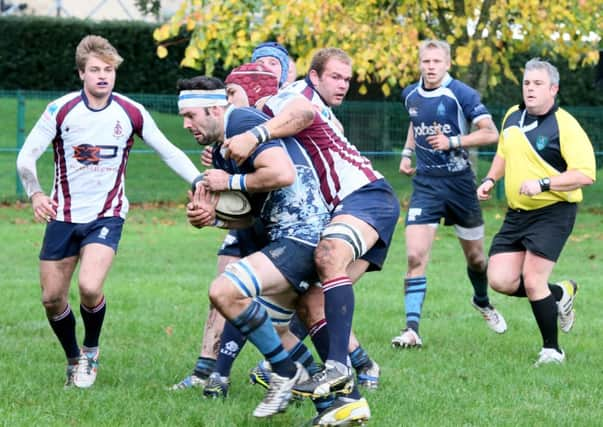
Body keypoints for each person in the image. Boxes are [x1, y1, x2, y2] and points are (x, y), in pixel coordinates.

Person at [224, 47, 400, 426]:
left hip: (365, 195)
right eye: (337, 77)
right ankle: (346, 403)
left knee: (328, 254)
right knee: (310, 303)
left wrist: (255, 133)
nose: (229, 105)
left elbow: (305, 113)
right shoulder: (280, 108)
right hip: (348, 206)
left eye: (232, 95)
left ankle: (338, 365)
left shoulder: (289, 99)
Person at [15, 35, 203, 389]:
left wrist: (200, 179)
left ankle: (91, 349)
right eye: (95, 70)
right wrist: (36, 193)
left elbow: (168, 151)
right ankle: (74, 359)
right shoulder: (60, 110)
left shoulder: (131, 112)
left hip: (107, 214)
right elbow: (26, 157)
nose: (103, 76)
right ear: (81, 74)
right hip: (63, 215)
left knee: (89, 286)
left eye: (109, 69)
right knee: (52, 298)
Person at [178, 75, 331, 417]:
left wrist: (229, 181)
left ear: (215, 108)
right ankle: (332, 404)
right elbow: (247, 216)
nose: (187, 125)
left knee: (224, 291)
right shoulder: (221, 150)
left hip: (304, 234)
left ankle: (285, 374)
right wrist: (212, 218)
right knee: (277, 330)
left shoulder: (243, 121)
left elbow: (282, 173)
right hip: (284, 236)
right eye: (183, 118)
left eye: (191, 116)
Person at [477, 58, 596, 366]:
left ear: (553, 89)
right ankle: (560, 294)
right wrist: (491, 179)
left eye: (537, 84)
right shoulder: (512, 117)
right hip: (518, 213)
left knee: (532, 279)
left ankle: (552, 350)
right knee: (500, 279)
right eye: (527, 83)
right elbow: (503, 153)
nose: (530, 89)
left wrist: (544, 183)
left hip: (554, 210)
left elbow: (586, 174)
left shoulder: (566, 125)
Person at [390, 39, 507, 349]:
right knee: (415, 256)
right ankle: (412, 329)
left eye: (437, 61)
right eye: (426, 61)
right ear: (419, 63)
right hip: (426, 185)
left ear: (447, 64)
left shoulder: (463, 94)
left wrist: (454, 142)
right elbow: (416, 124)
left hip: (460, 186)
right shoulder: (410, 94)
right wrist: (406, 152)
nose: (431, 67)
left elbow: (490, 132)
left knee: (477, 259)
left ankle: (481, 300)